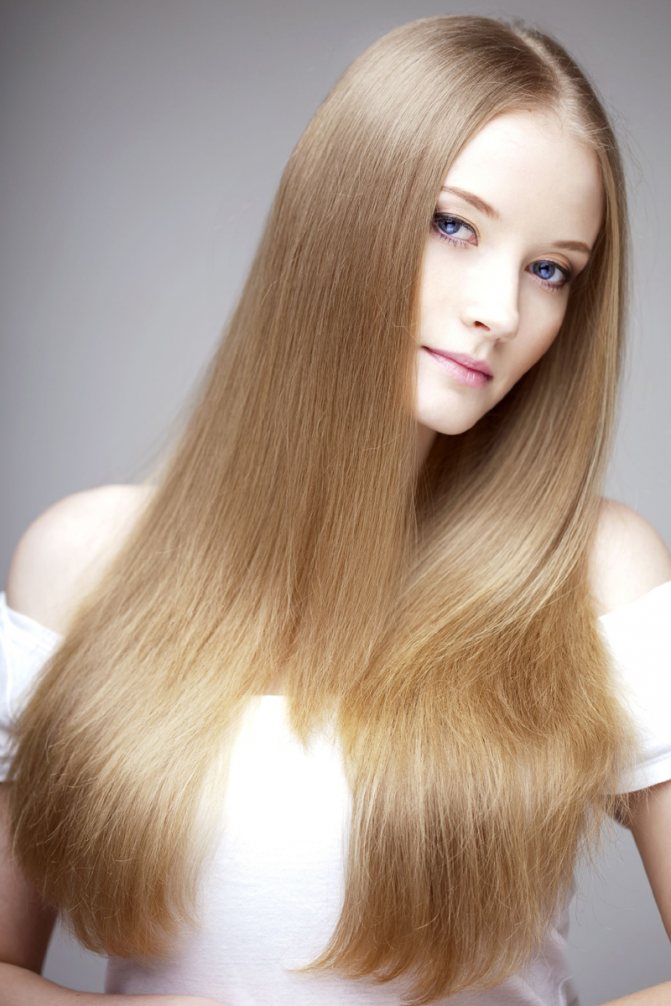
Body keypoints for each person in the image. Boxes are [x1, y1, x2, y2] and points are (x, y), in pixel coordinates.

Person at [1, 13, 670, 1006]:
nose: (499, 310)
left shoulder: (595, 571)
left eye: (549, 270)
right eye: (452, 225)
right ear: (339, 215)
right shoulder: (80, 563)